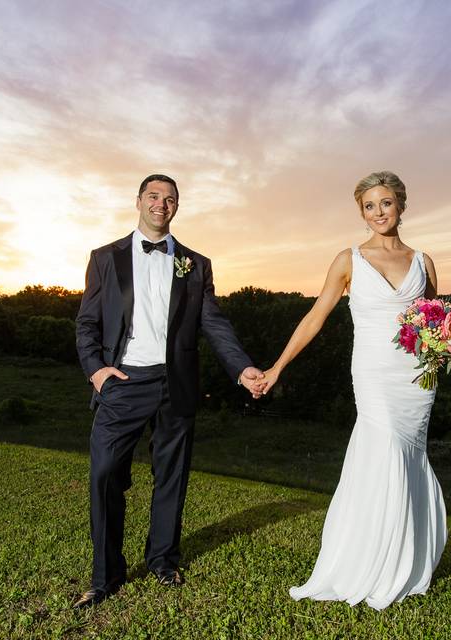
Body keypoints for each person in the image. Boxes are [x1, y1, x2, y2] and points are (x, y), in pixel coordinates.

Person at [72, 174, 266, 609]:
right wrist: (97, 371)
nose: (162, 204)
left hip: (175, 382)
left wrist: (242, 367)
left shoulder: (196, 263)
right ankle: (106, 576)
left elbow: (213, 323)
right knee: (104, 474)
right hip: (121, 382)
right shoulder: (105, 257)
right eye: (154, 196)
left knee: (171, 478)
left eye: (170, 199)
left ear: (177, 207)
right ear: (138, 201)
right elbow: (86, 322)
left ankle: (162, 560)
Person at [261, 171, 447, 609]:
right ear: (360, 211)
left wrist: (441, 354)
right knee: (381, 455)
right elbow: (315, 317)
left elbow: (434, 321)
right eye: (369, 205)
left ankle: (406, 560)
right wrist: (277, 366)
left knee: (408, 460)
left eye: (386, 203)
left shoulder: (424, 261)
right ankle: (366, 563)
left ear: (401, 204)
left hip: (416, 380)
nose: (378, 212)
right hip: (374, 374)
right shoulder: (349, 260)